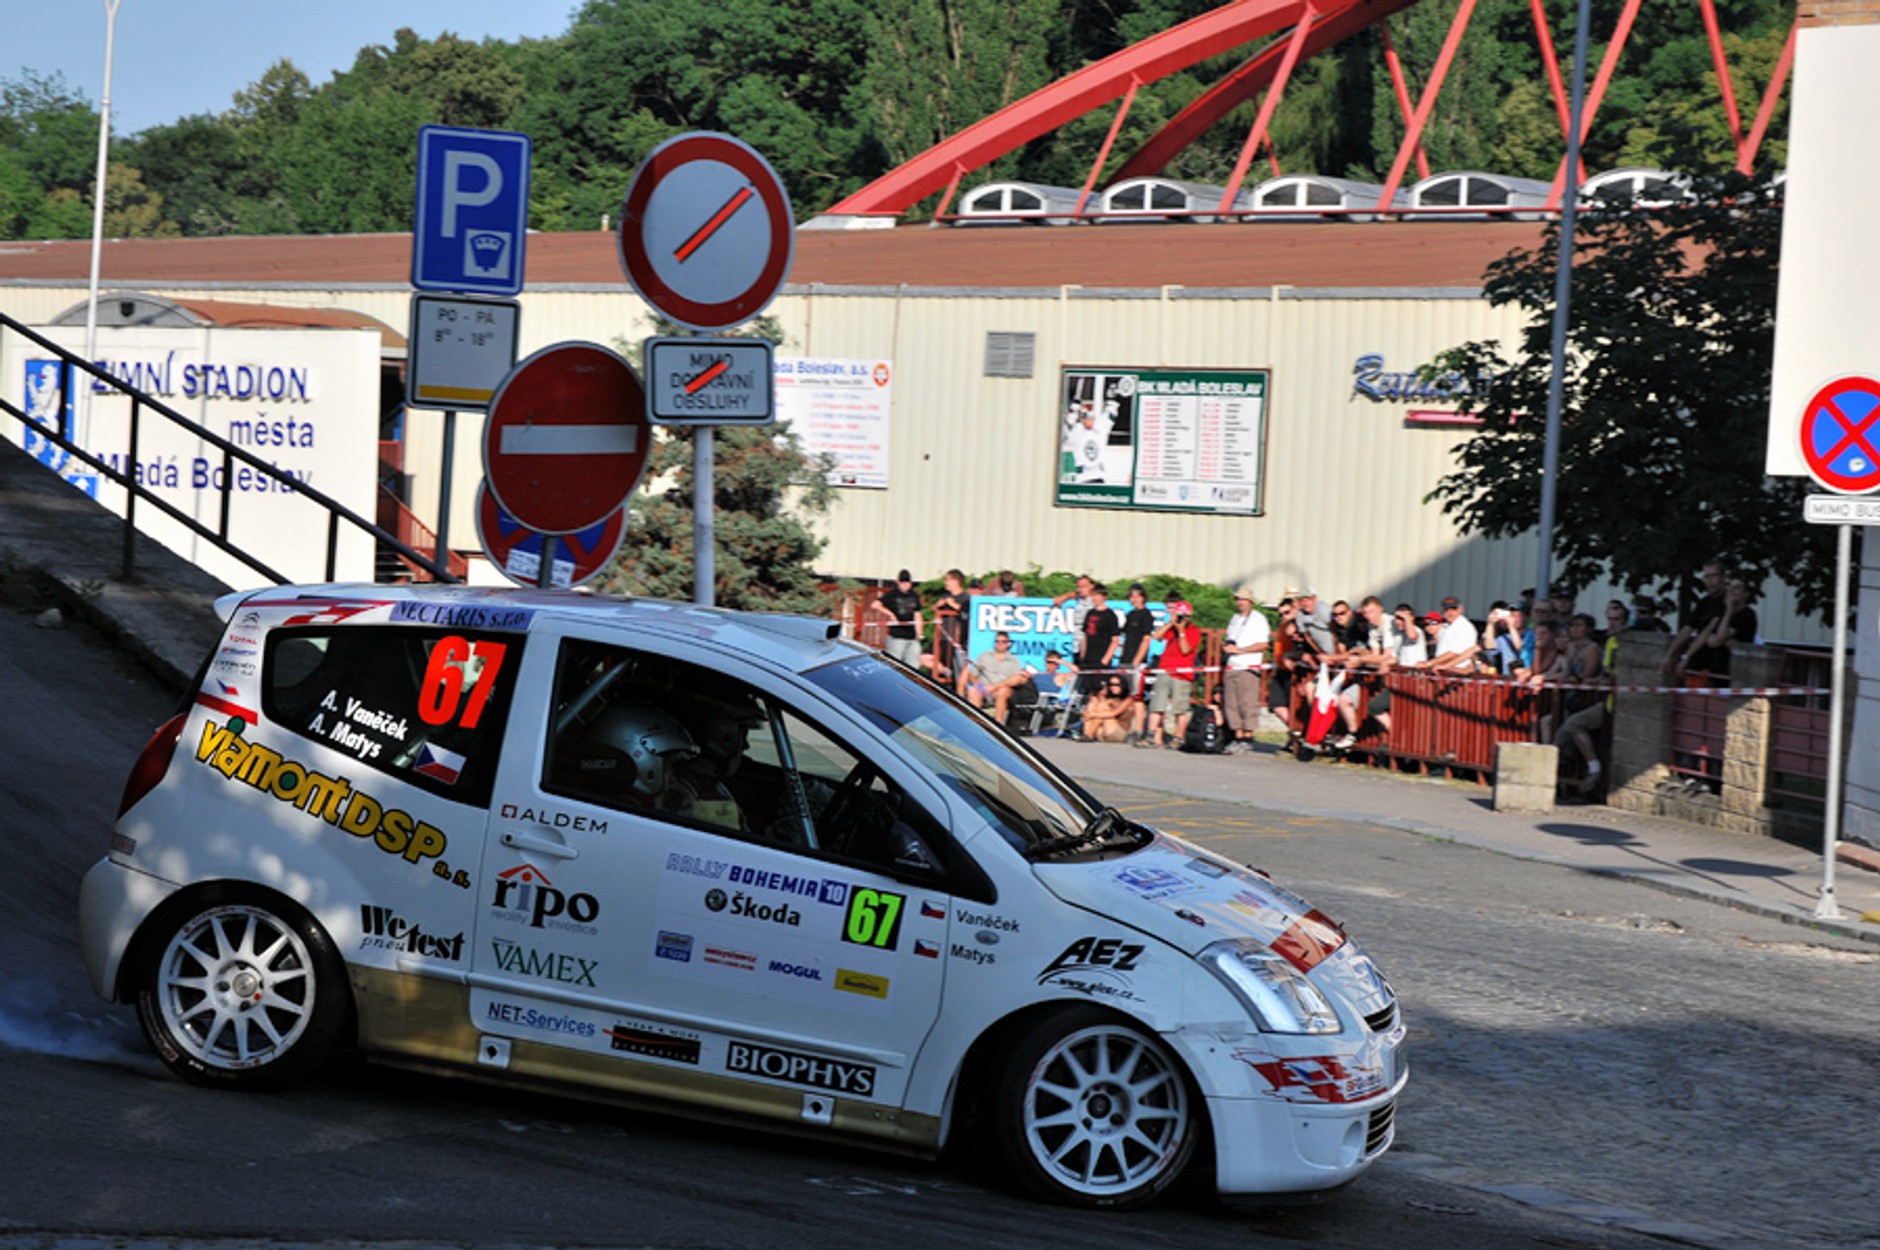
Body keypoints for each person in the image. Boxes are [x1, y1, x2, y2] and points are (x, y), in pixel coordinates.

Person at [1559, 612, 1620, 795]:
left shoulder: (1593, 647)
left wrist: (1579, 679)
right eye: (1573, 625)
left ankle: (1589, 770)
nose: (1575, 629)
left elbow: (1588, 674)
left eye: (1579, 625)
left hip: (1589, 699)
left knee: (1569, 728)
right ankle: (1567, 777)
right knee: (1554, 725)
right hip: (1571, 698)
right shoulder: (1573, 646)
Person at [1141, 599, 1200, 749]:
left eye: (1183, 616)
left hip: (1182, 673)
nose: (1181, 619)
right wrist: (1170, 623)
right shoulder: (1171, 629)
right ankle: (1151, 735)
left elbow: (1186, 649)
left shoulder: (1193, 631)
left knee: (1179, 707)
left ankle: (1179, 737)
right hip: (1165, 669)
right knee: (1157, 705)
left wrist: (1181, 631)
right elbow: (1157, 636)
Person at [1221, 584, 1271, 753]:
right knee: (1231, 704)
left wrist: (1242, 650)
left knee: (1247, 703)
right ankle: (1237, 735)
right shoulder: (1235, 619)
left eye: (1244, 599)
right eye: (1239, 599)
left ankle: (1248, 737)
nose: (1241, 602)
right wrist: (1228, 648)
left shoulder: (1258, 619)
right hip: (1232, 665)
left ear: (1250, 601)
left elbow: (1264, 644)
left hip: (1248, 666)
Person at [1680, 577, 1758, 681]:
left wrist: (1729, 610)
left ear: (1746, 594)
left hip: (1729, 671)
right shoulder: (1721, 610)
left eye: (1737, 588)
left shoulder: (1747, 615)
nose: (1731, 591)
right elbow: (1706, 633)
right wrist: (1686, 656)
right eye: (1729, 587)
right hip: (1706, 667)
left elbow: (1719, 638)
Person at [1662, 560, 1727, 680]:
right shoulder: (1704, 602)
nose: (1709, 581)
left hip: (1717, 665)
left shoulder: (1727, 602)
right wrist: (1669, 655)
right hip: (1698, 665)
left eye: (1713, 576)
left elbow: (1708, 630)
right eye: (1706, 576)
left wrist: (1686, 657)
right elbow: (1688, 628)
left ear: (1723, 577)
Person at [963, 631, 1033, 724]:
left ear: (1008, 644)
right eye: (997, 641)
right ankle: (974, 722)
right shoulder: (985, 656)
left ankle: (998, 722)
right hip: (984, 687)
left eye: (1003, 642)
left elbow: (1016, 679)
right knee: (972, 690)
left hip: (1001, 688)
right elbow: (972, 675)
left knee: (1003, 691)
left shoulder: (1013, 660)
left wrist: (994, 687)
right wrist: (979, 685)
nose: (1000, 644)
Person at [1076, 582, 1121, 697]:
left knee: (1101, 690)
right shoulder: (1090, 613)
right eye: (1093, 595)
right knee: (1089, 691)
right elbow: (1085, 636)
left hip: (1101, 659)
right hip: (1088, 659)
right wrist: (1083, 656)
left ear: (1104, 597)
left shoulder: (1110, 616)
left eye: (1097, 595)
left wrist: (1105, 660)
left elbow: (1115, 640)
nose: (1095, 598)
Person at [930, 568, 971, 690]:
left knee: (959, 669)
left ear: (956, 581)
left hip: (957, 640)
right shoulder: (945, 596)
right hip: (942, 637)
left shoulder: (965, 597)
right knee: (926, 658)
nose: (945, 583)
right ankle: (947, 672)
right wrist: (938, 605)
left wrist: (952, 604)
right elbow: (934, 608)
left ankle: (961, 692)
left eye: (948, 580)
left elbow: (965, 611)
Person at [872, 570, 922, 668]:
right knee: (895, 664)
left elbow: (917, 614)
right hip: (897, 636)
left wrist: (919, 632)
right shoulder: (892, 595)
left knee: (914, 665)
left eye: (907, 583)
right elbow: (875, 605)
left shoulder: (914, 595)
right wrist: (891, 614)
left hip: (912, 637)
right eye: (903, 583)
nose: (905, 585)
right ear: (898, 582)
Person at [1119, 583, 1157, 702]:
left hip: (1136, 661)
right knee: (1122, 692)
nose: (1134, 600)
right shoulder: (1130, 615)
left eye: (1137, 596)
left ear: (1143, 598)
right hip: (1125, 659)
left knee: (1135, 696)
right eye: (1131, 597)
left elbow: (1146, 639)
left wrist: (1137, 661)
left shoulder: (1146, 615)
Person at [1079, 675, 1139, 743]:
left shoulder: (1129, 699)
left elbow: (1114, 713)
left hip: (1119, 731)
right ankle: (1086, 734)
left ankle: (1089, 735)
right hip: (1105, 730)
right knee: (1092, 705)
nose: (1113, 687)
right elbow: (1095, 702)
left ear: (1122, 685)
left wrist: (1092, 714)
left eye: (1116, 685)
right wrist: (1097, 694)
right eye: (1111, 685)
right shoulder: (1110, 699)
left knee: (1103, 709)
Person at [1429, 596, 1481, 672]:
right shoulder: (1444, 627)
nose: (1450, 612)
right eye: (1446, 609)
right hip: (1442, 669)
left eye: (1454, 609)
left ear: (1460, 609)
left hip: (1457, 671)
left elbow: (1456, 653)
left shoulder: (1465, 627)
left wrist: (1429, 663)